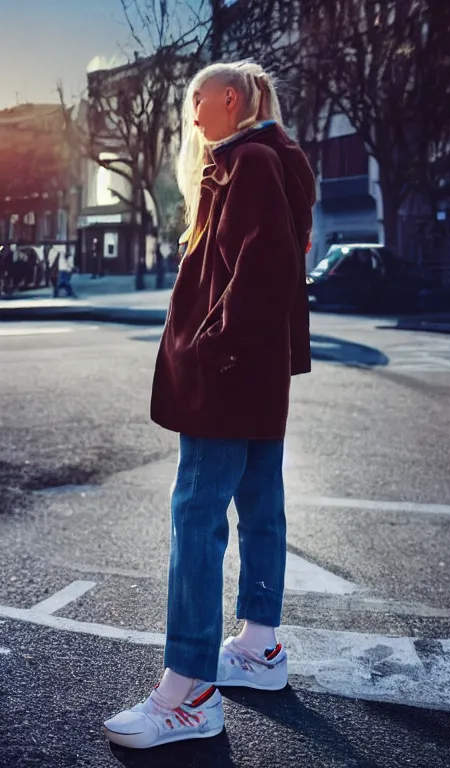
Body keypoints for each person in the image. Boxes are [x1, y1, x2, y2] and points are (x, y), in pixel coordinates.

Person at [103, 60, 316, 750]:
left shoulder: (247, 162)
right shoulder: (273, 158)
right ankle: (258, 648)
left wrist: (214, 346)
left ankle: (189, 690)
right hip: (258, 376)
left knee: (195, 515)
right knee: (258, 504)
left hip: (231, 377)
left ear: (230, 98)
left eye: (196, 99)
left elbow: (272, 266)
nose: (190, 113)